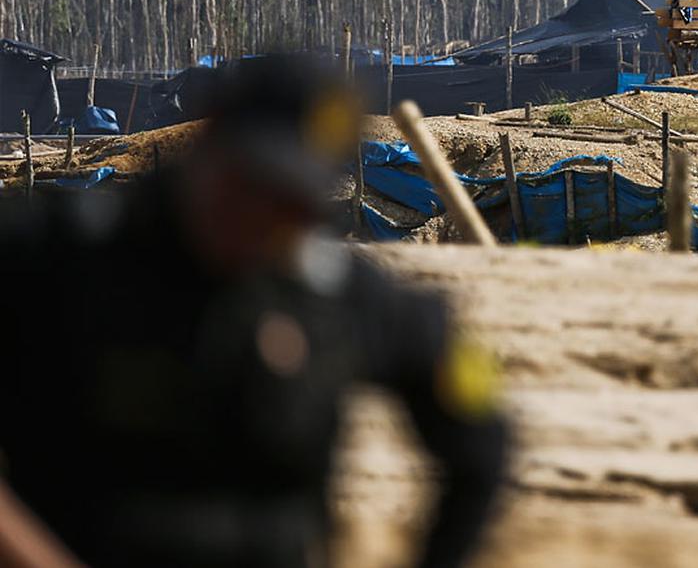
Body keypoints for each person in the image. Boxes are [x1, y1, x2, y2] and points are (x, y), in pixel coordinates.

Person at [0, 55, 508, 568]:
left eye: (288, 203)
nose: (260, 219)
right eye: (250, 185)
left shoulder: (337, 297)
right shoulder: (60, 259)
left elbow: (481, 441)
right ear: (212, 139)